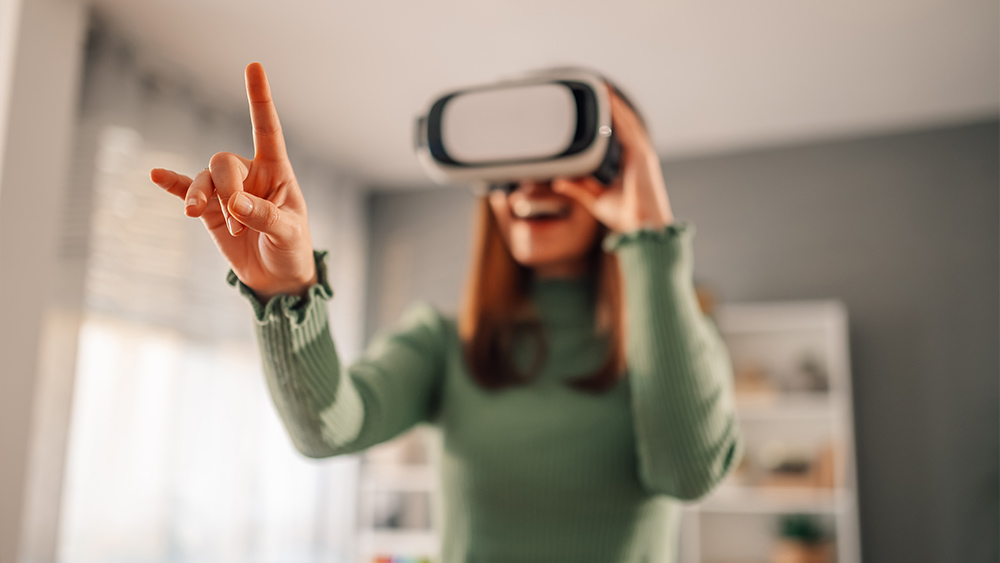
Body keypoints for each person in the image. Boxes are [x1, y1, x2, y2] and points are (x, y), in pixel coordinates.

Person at [151, 62, 741, 563]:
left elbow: (688, 474)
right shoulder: (442, 341)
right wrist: (288, 294)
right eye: (509, 172)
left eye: (560, 166)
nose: (529, 189)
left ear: (617, 171)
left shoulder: (677, 343)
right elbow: (327, 429)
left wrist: (651, 235)